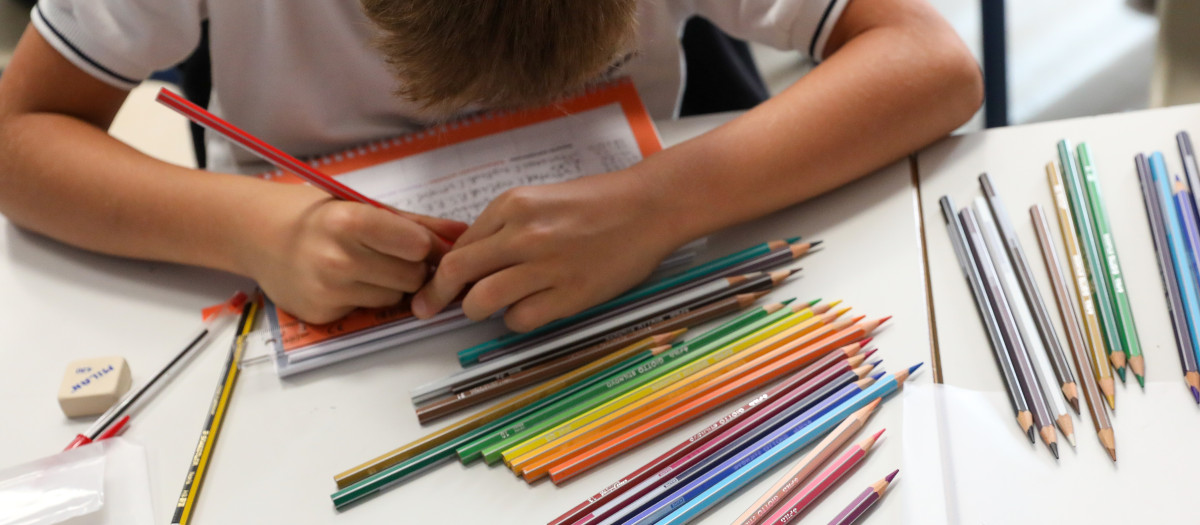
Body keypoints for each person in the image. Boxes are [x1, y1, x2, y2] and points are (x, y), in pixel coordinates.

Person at [0, 0, 981, 332]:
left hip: (641, 278)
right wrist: (250, 227)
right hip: (318, 314)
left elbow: (930, 60)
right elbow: (20, 133)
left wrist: (662, 202)